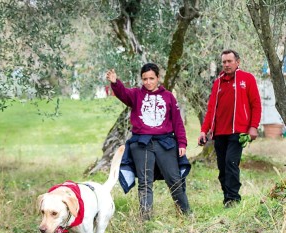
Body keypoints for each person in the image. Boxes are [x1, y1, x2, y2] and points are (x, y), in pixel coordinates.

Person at [106, 63, 191, 220]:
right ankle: (145, 219)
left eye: (152, 78)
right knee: (145, 182)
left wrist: (182, 143)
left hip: (165, 143)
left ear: (158, 78)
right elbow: (123, 93)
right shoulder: (136, 95)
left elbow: (177, 122)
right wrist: (115, 82)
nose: (148, 82)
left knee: (174, 179)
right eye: (145, 79)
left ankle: (186, 215)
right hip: (142, 144)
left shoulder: (168, 97)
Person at [198, 49, 262, 208]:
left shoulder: (247, 79)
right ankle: (227, 198)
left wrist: (253, 127)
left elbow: (256, 104)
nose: (226, 65)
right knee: (222, 168)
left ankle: (234, 199)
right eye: (224, 62)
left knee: (231, 163)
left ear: (237, 62)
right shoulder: (218, 82)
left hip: (238, 131)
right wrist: (203, 131)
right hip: (219, 133)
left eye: (229, 61)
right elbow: (211, 108)